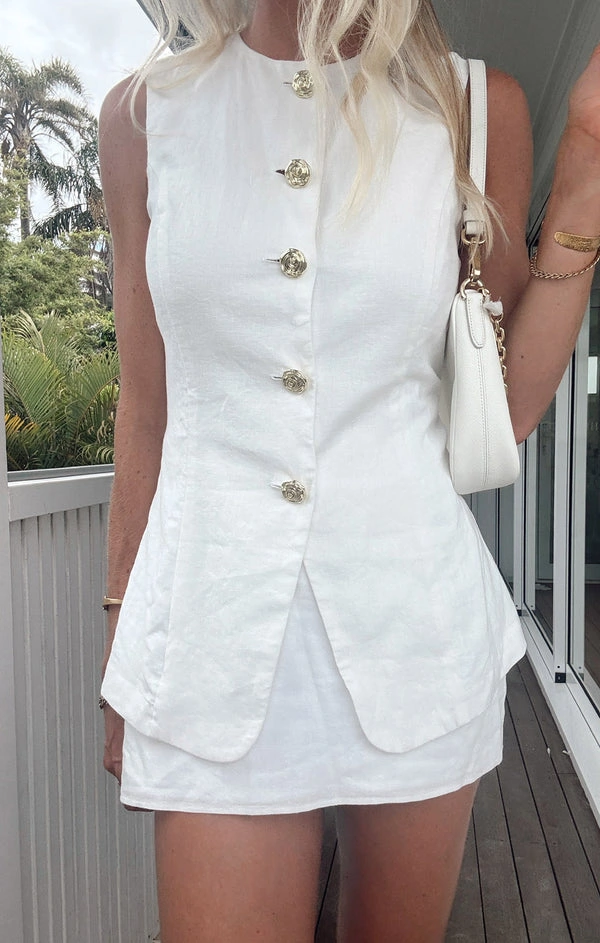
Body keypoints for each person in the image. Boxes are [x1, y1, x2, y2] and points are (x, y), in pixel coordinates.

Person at [98, 0, 600, 939]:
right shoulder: (142, 118)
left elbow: (512, 401)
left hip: (415, 635)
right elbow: (147, 405)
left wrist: (584, 166)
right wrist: (123, 635)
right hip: (208, 640)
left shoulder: (472, 107)